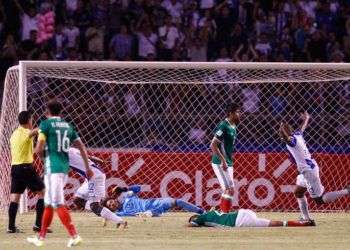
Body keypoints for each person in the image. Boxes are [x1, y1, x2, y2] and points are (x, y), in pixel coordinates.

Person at [27, 100, 93, 247]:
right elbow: (81, 147)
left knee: (56, 203)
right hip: (64, 168)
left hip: (53, 169)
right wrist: (87, 168)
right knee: (49, 203)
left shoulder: (45, 125)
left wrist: (45, 158)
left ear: (47, 112)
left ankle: (74, 235)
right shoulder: (68, 126)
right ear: (60, 112)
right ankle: (41, 238)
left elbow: (38, 149)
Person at [279, 111, 350, 222]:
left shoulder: (291, 141)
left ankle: (347, 191)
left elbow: (287, 137)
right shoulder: (297, 135)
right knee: (298, 192)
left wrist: (282, 126)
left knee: (319, 200)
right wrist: (306, 118)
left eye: (281, 133)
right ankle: (306, 218)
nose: (280, 134)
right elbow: (302, 128)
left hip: (309, 172)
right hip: (307, 169)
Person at [68, 147, 127, 228]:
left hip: (94, 176)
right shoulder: (72, 149)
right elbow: (87, 156)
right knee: (77, 200)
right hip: (91, 177)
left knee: (94, 206)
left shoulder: (62, 155)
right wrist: (99, 160)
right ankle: (107, 214)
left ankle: (120, 221)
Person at [8, 111, 46, 233]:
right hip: (25, 168)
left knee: (15, 197)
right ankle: (38, 225)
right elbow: (35, 131)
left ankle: (11, 227)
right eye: (32, 119)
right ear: (29, 120)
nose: (32, 122)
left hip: (15, 168)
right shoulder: (26, 132)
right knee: (43, 193)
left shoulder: (14, 134)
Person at [210, 103, 241, 212]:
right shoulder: (223, 125)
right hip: (219, 162)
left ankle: (219, 210)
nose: (239, 114)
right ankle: (223, 213)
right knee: (228, 190)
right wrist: (223, 160)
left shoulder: (234, 126)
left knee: (230, 190)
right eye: (237, 112)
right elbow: (213, 145)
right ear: (231, 113)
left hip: (228, 162)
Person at [102, 185, 204, 217]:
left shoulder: (128, 197)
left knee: (178, 202)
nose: (112, 204)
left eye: (111, 202)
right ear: (111, 209)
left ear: (114, 199)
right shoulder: (120, 213)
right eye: (110, 206)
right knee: (148, 214)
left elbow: (138, 188)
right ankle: (151, 214)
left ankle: (202, 212)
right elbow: (106, 214)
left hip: (154, 203)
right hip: (147, 212)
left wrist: (125, 189)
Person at [188, 209, 315, 228]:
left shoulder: (202, 218)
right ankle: (305, 222)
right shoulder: (212, 212)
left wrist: (189, 223)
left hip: (240, 221)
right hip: (243, 212)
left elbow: (193, 222)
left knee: (277, 224)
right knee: (277, 223)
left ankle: (304, 223)